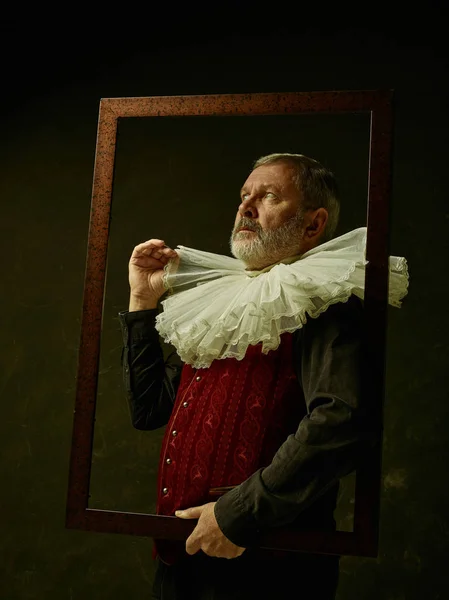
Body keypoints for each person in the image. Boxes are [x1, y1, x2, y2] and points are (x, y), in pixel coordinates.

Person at [118, 153, 408, 599]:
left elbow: (344, 421)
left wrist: (236, 516)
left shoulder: (324, 299)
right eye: (244, 196)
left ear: (313, 225)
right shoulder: (226, 301)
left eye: (269, 196)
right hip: (183, 560)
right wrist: (141, 301)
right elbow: (149, 408)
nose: (246, 208)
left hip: (269, 566)